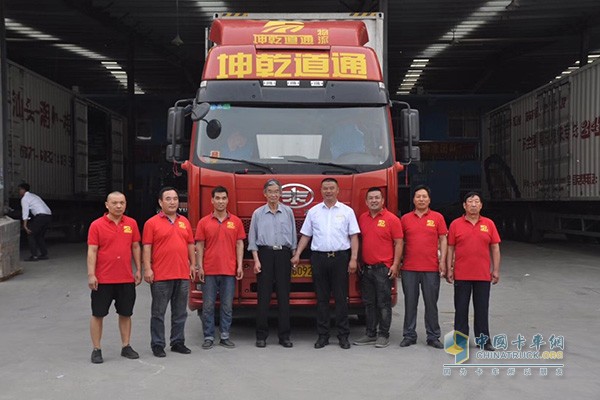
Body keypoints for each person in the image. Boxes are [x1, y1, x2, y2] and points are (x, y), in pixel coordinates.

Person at [291, 178, 360, 349]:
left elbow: (353, 236)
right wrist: (298, 254)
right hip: (319, 258)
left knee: (340, 299)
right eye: (325, 189)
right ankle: (323, 335)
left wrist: (353, 258)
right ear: (321, 191)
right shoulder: (313, 212)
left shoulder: (347, 211)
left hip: (340, 258)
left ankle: (343, 336)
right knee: (321, 299)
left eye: (331, 188)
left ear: (338, 191)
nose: (328, 191)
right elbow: (306, 235)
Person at [87, 191, 142, 364]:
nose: (119, 206)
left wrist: (139, 269)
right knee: (98, 314)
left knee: (126, 313)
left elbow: (135, 247)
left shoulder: (131, 224)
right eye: (115, 203)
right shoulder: (96, 225)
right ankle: (97, 349)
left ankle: (126, 346)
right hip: (103, 279)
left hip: (126, 279)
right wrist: (91, 274)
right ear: (107, 205)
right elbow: (92, 251)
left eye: (122, 203)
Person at [142, 187, 196, 358]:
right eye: (168, 199)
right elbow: (147, 247)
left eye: (175, 198)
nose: (172, 202)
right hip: (161, 276)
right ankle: (158, 344)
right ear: (160, 202)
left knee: (180, 311)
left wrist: (193, 265)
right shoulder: (152, 223)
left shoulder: (184, 222)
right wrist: (147, 268)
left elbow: (190, 244)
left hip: (182, 274)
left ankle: (177, 342)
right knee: (158, 312)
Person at [446, 191, 501, 352]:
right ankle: (460, 342)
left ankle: (484, 340)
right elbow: (450, 247)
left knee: (482, 309)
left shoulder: (489, 224)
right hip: (462, 275)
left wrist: (495, 270)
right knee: (461, 309)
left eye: (477, 201)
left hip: (483, 275)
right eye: (470, 201)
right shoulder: (456, 224)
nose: (474, 204)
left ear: (481, 205)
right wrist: (449, 268)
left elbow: (495, 247)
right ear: (464, 205)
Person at [247, 179, 297, 348]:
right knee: (264, 297)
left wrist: (294, 255)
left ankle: (285, 336)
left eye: (277, 191)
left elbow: (293, 236)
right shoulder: (258, 214)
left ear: (281, 193)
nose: (274, 195)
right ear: (265, 194)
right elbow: (252, 239)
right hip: (265, 254)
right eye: (270, 192)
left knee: (284, 297)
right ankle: (261, 336)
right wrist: (256, 260)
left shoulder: (288, 211)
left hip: (283, 254)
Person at [195, 186, 245, 349]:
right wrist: (199, 266)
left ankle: (225, 336)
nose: (221, 201)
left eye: (224, 198)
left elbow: (239, 244)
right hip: (209, 271)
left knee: (226, 305)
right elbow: (200, 245)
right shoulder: (204, 222)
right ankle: (208, 336)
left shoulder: (236, 221)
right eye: (217, 198)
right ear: (212, 200)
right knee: (208, 306)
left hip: (229, 270)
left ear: (228, 200)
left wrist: (239, 265)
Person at [353, 187, 403, 348]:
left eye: (377, 198)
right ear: (366, 202)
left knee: (383, 303)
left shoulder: (392, 219)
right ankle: (370, 333)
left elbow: (399, 243)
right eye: (371, 198)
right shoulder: (362, 218)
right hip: (366, 269)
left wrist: (395, 264)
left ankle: (383, 334)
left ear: (382, 201)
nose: (374, 201)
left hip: (383, 269)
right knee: (368, 303)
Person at [399, 185, 448, 349]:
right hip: (409, 268)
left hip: (431, 267)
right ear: (413, 199)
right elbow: (400, 242)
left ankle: (433, 336)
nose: (421, 199)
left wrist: (443, 261)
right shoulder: (405, 219)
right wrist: (398, 262)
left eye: (424, 197)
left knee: (431, 303)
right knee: (410, 303)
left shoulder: (437, 217)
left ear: (429, 199)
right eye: (418, 196)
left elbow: (443, 240)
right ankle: (409, 335)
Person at [18, 183, 52, 261]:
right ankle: (44, 254)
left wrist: (25, 225)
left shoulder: (25, 198)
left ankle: (34, 256)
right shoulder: (34, 196)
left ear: (23, 190)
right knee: (39, 235)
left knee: (31, 234)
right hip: (48, 216)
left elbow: (25, 212)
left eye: (19, 189)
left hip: (41, 216)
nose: (19, 192)